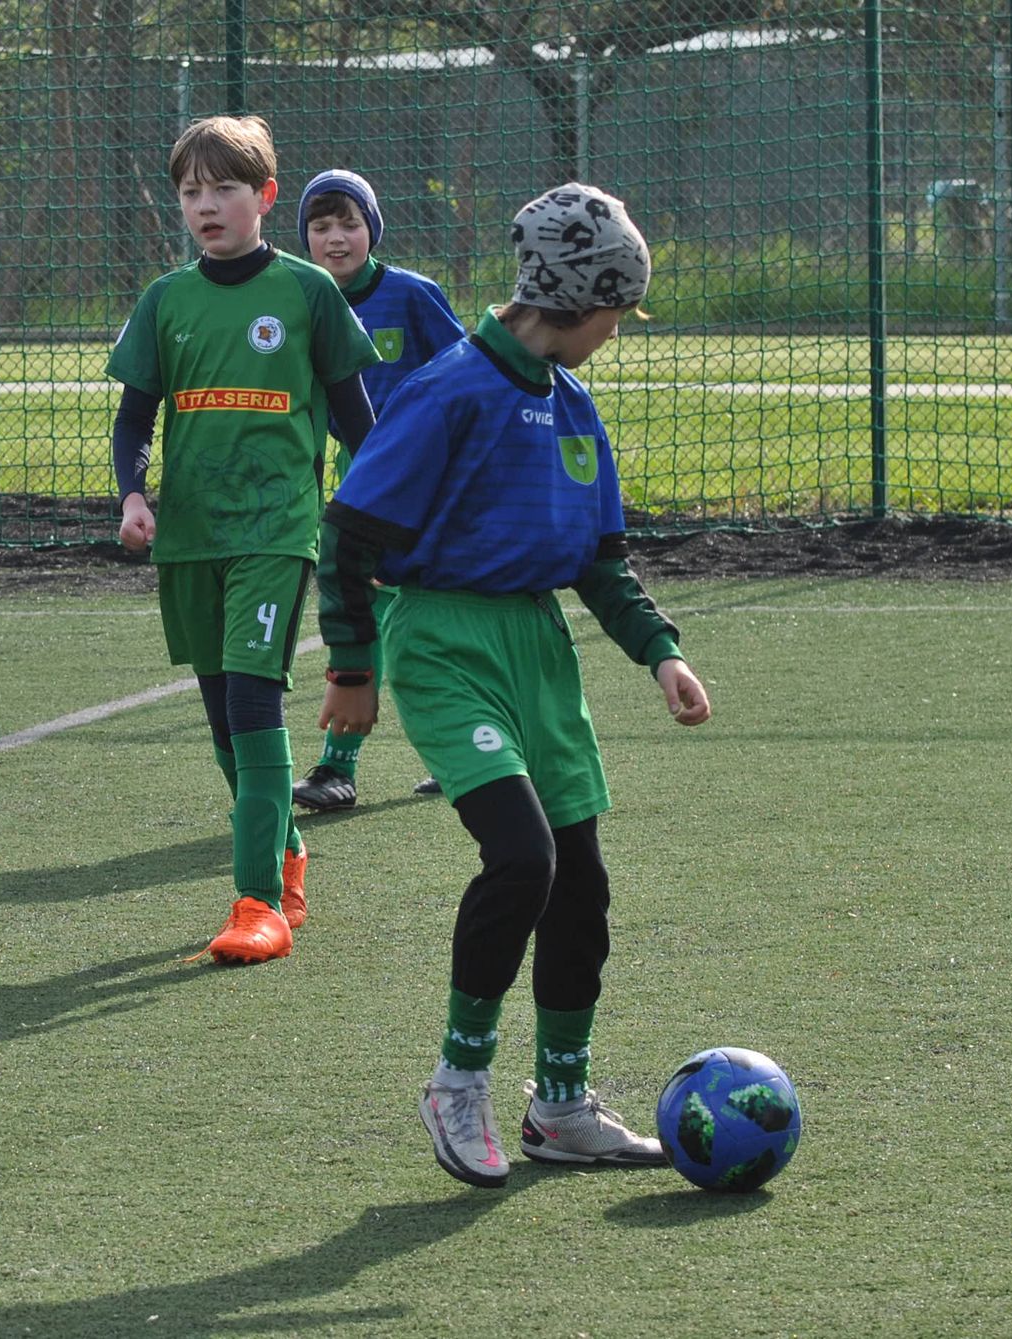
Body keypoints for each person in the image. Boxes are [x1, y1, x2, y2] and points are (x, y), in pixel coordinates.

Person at [314, 183, 712, 1186]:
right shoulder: (449, 390)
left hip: (538, 651)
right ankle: (457, 1082)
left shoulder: (571, 406)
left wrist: (659, 652)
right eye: (616, 313)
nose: (616, 332)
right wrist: (353, 668)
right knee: (522, 858)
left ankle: (562, 1107)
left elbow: (600, 562)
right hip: (443, 645)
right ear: (576, 301)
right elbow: (349, 535)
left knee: (580, 883)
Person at [108, 115, 381, 965]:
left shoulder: (308, 292)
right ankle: (287, 852)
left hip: (276, 526)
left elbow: (354, 418)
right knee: (224, 717)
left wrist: (377, 515)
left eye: (223, 188)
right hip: (191, 534)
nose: (206, 205)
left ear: (264, 196)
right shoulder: (166, 300)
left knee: (256, 702)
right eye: (191, 192)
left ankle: (258, 898)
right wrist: (132, 493)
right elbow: (133, 417)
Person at [289, 169, 464, 813]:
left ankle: (466, 753)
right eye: (321, 226)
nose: (336, 238)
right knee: (359, 619)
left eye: (350, 224)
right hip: (357, 495)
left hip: (428, 496)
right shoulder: (299, 302)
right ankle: (337, 771)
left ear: (372, 230)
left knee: (435, 624)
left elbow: (466, 377)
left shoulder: (414, 296)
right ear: (304, 236)